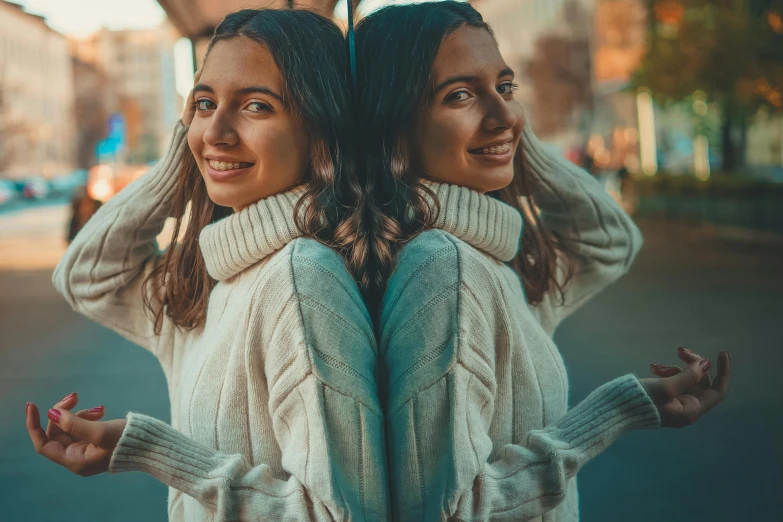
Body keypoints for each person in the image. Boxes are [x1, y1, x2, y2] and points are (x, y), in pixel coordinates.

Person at [355, 2, 731, 521]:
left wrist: (499, 132)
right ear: (388, 121)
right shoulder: (445, 271)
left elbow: (610, 239)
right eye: (457, 95)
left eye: (506, 87)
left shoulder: (481, 257)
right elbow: (449, 510)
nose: (506, 112)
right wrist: (615, 411)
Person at [26, 9, 387, 521]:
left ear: (321, 126)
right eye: (204, 103)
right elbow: (86, 277)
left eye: (256, 106)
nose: (217, 130)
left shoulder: (301, 282)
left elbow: (337, 513)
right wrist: (187, 154)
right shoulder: (212, 271)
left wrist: (152, 450)